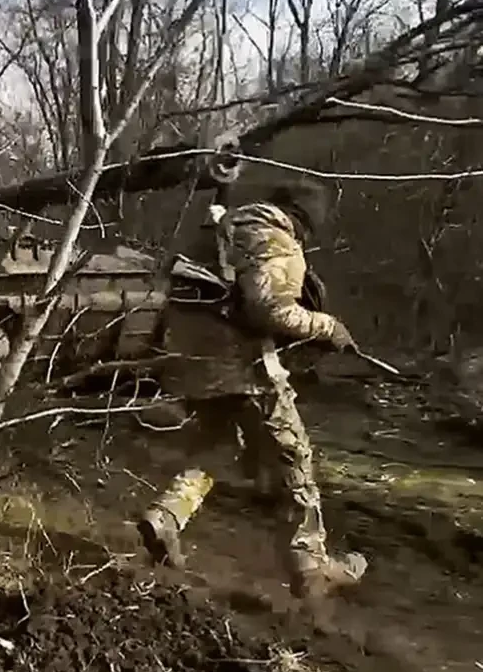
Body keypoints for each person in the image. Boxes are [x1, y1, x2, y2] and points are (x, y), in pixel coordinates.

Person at [138, 179, 367, 600]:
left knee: (217, 445)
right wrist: (328, 327)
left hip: (190, 360)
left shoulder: (218, 231)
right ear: (305, 222)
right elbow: (269, 310)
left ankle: (166, 516)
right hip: (243, 369)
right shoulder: (277, 240)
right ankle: (310, 565)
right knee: (291, 457)